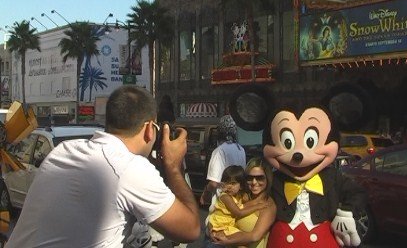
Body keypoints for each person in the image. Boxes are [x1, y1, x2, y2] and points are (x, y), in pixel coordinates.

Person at [6, 86, 200, 247]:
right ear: (150, 129)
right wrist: (173, 166)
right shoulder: (130, 168)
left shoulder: (63, 151)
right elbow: (190, 230)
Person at [210, 157, 277, 248]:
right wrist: (213, 231)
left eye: (259, 178)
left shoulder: (267, 205)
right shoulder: (240, 197)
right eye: (250, 178)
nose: (254, 182)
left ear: (268, 179)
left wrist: (227, 240)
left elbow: (255, 236)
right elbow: (217, 213)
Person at [200, 115, 246, 207]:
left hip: (221, 206)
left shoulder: (219, 151)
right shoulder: (240, 149)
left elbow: (213, 183)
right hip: (237, 203)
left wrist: (204, 194)